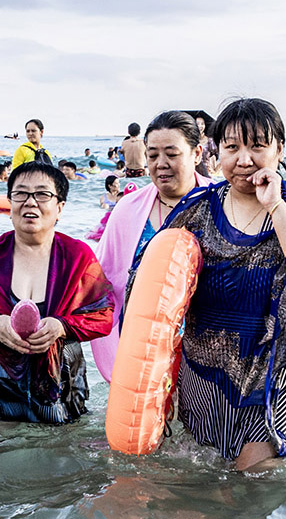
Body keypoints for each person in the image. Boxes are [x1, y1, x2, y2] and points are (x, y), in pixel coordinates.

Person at [136, 98, 286, 471]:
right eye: (231, 147)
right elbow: (149, 281)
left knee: (249, 491)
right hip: (203, 375)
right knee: (195, 480)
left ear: (280, 149)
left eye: (257, 146)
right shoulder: (196, 209)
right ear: (216, 153)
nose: (243, 159)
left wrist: (276, 205)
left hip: (273, 377)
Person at [0, 162, 113, 424]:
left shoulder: (77, 256)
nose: (30, 202)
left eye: (42, 194)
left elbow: (103, 316)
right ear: (9, 204)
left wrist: (61, 326)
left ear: (60, 207)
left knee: (60, 462)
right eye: (21, 194)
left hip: (58, 390)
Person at [91, 111, 212, 380]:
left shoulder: (220, 204)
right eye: (153, 155)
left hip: (205, 354)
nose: (161, 164)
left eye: (172, 154)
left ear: (197, 154)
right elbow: (103, 281)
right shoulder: (127, 210)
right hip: (142, 353)